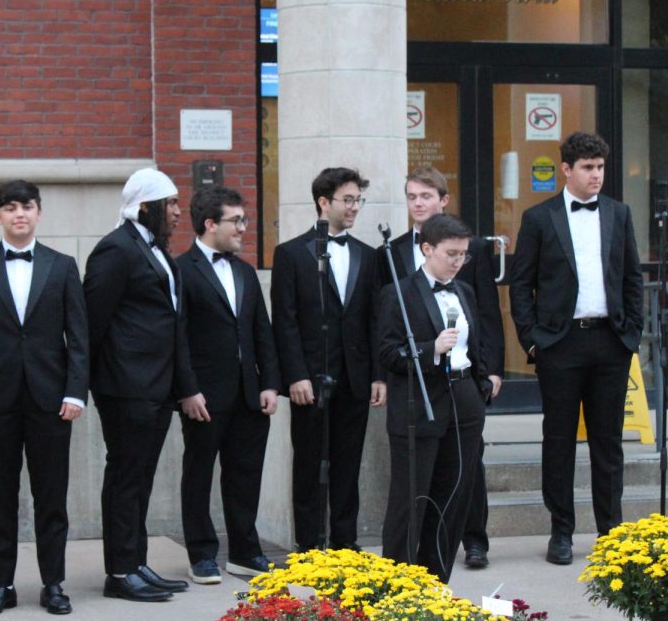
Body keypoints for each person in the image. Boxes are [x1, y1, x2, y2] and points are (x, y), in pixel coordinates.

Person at [0, 180, 89, 616]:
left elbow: (79, 337)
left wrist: (76, 392)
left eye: (27, 206)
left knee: (52, 495)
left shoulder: (63, 265)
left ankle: (54, 583)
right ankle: (1, 584)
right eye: (10, 207)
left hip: (52, 399)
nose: (19, 214)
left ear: (39, 212)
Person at [508, 132, 643, 565]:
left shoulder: (619, 214)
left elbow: (632, 279)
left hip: (610, 341)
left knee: (608, 442)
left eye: (600, 167)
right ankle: (561, 531)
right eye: (587, 168)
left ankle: (611, 532)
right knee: (559, 439)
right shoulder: (539, 218)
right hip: (559, 344)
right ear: (566, 170)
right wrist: (532, 338)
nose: (596, 175)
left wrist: (631, 334)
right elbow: (520, 283)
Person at [379, 166, 504, 569]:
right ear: (428, 249)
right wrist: (430, 348)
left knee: (456, 493)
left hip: (464, 398)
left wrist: (483, 378)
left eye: (463, 254)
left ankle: (438, 577)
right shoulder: (397, 294)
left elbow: (480, 332)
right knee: (411, 498)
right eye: (451, 254)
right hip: (420, 403)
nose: (459, 262)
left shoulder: (464, 288)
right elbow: (388, 353)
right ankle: (398, 577)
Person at [85, 168, 198, 602]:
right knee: (125, 478)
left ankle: (136, 562)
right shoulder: (115, 250)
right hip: (124, 387)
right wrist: (91, 384)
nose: (176, 212)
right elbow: (92, 323)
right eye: (169, 205)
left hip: (156, 387)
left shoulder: (154, 251)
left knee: (142, 479)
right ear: (145, 207)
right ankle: (118, 572)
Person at [271, 167, 386, 552]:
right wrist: (295, 376)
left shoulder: (369, 257)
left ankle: (344, 542)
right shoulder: (290, 254)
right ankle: (308, 545)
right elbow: (284, 322)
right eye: (347, 199)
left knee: (347, 466)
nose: (354, 207)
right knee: (308, 465)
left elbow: (373, 321)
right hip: (311, 381)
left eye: (358, 200)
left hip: (354, 379)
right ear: (324, 202)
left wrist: (377, 376)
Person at [175, 185, 280, 583]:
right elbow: (177, 337)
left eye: (245, 220)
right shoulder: (181, 271)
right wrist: (186, 390)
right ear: (209, 224)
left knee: (245, 474)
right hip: (203, 396)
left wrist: (269, 383)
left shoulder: (245, 271)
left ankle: (245, 551)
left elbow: (261, 332)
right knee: (199, 473)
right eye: (236, 221)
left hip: (248, 396)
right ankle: (201, 553)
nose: (244, 228)